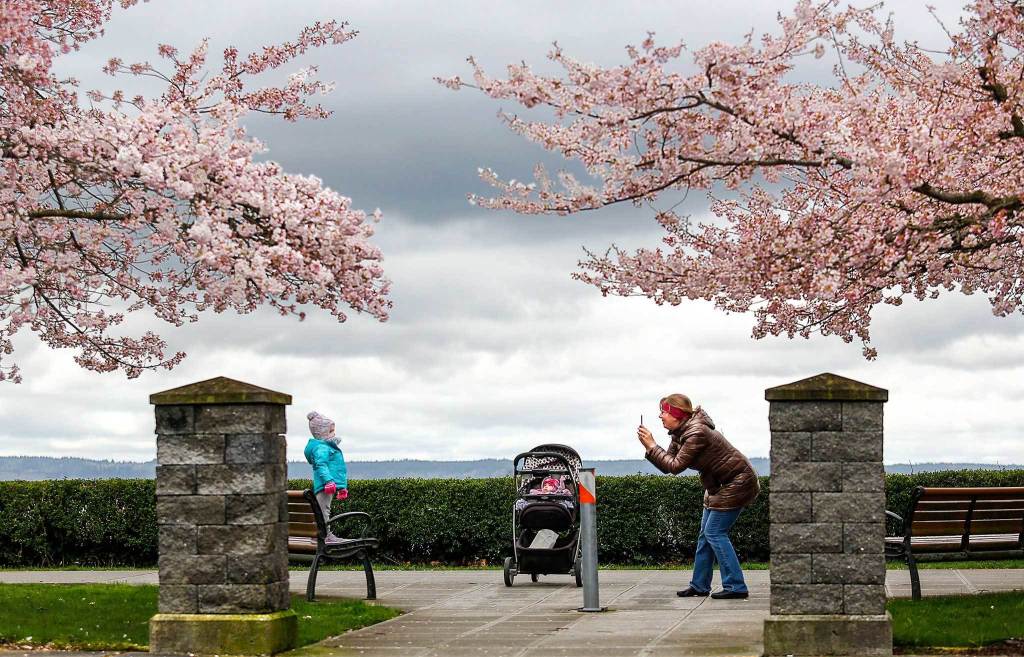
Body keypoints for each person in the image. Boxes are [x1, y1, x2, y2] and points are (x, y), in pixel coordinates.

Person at [637, 393, 760, 600]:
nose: (660, 416)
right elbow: (669, 465)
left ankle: (736, 586)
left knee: (714, 533)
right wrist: (651, 448)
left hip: (737, 483)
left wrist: (651, 446)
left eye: (664, 412)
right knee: (706, 535)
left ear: (676, 414)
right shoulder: (679, 433)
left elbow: (675, 467)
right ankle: (700, 585)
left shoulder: (696, 433)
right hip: (718, 486)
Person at [304, 411, 348, 544]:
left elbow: (334, 468)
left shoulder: (324, 447)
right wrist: (329, 481)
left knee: (323, 509)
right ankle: (323, 535)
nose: (333, 434)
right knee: (323, 510)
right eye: (330, 432)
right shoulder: (322, 448)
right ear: (322, 432)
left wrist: (341, 487)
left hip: (327, 485)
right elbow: (321, 465)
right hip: (325, 485)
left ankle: (320, 534)